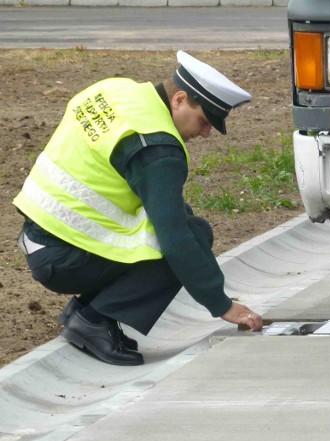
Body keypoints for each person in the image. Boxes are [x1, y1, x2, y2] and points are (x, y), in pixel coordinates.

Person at [13, 50, 263, 367]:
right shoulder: (157, 148)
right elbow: (176, 238)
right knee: (193, 238)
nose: (204, 133)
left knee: (183, 225)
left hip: (41, 236)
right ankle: (93, 320)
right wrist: (222, 304)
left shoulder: (115, 91)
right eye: (203, 121)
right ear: (180, 100)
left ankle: (88, 310)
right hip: (63, 258)